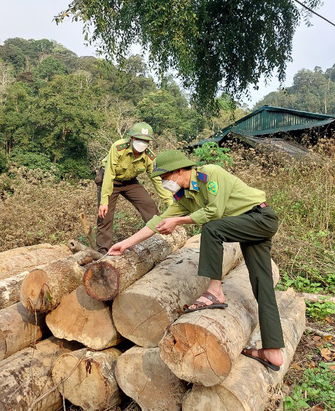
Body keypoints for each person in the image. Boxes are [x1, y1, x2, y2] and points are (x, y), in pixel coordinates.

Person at [107, 150, 285, 371]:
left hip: (260, 217)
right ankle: (273, 351)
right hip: (247, 225)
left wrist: (179, 221)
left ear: (180, 170)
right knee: (262, 285)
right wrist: (126, 243)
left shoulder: (210, 174)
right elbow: (159, 221)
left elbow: (215, 212)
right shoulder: (184, 197)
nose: (164, 183)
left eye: (165, 178)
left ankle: (215, 291)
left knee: (211, 228)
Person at [95, 122, 173, 254]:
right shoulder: (119, 147)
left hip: (130, 182)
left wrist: (170, 204)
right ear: (132, 139)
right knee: (105, 216)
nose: (142, 143)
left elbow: (157, 180)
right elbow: (109, 173)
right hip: (110, 180)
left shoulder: (149, 157)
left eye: (145, 141)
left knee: (149, 205)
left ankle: (159, 239)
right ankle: (102, 253)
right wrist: (104, 201)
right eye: (139, 139)